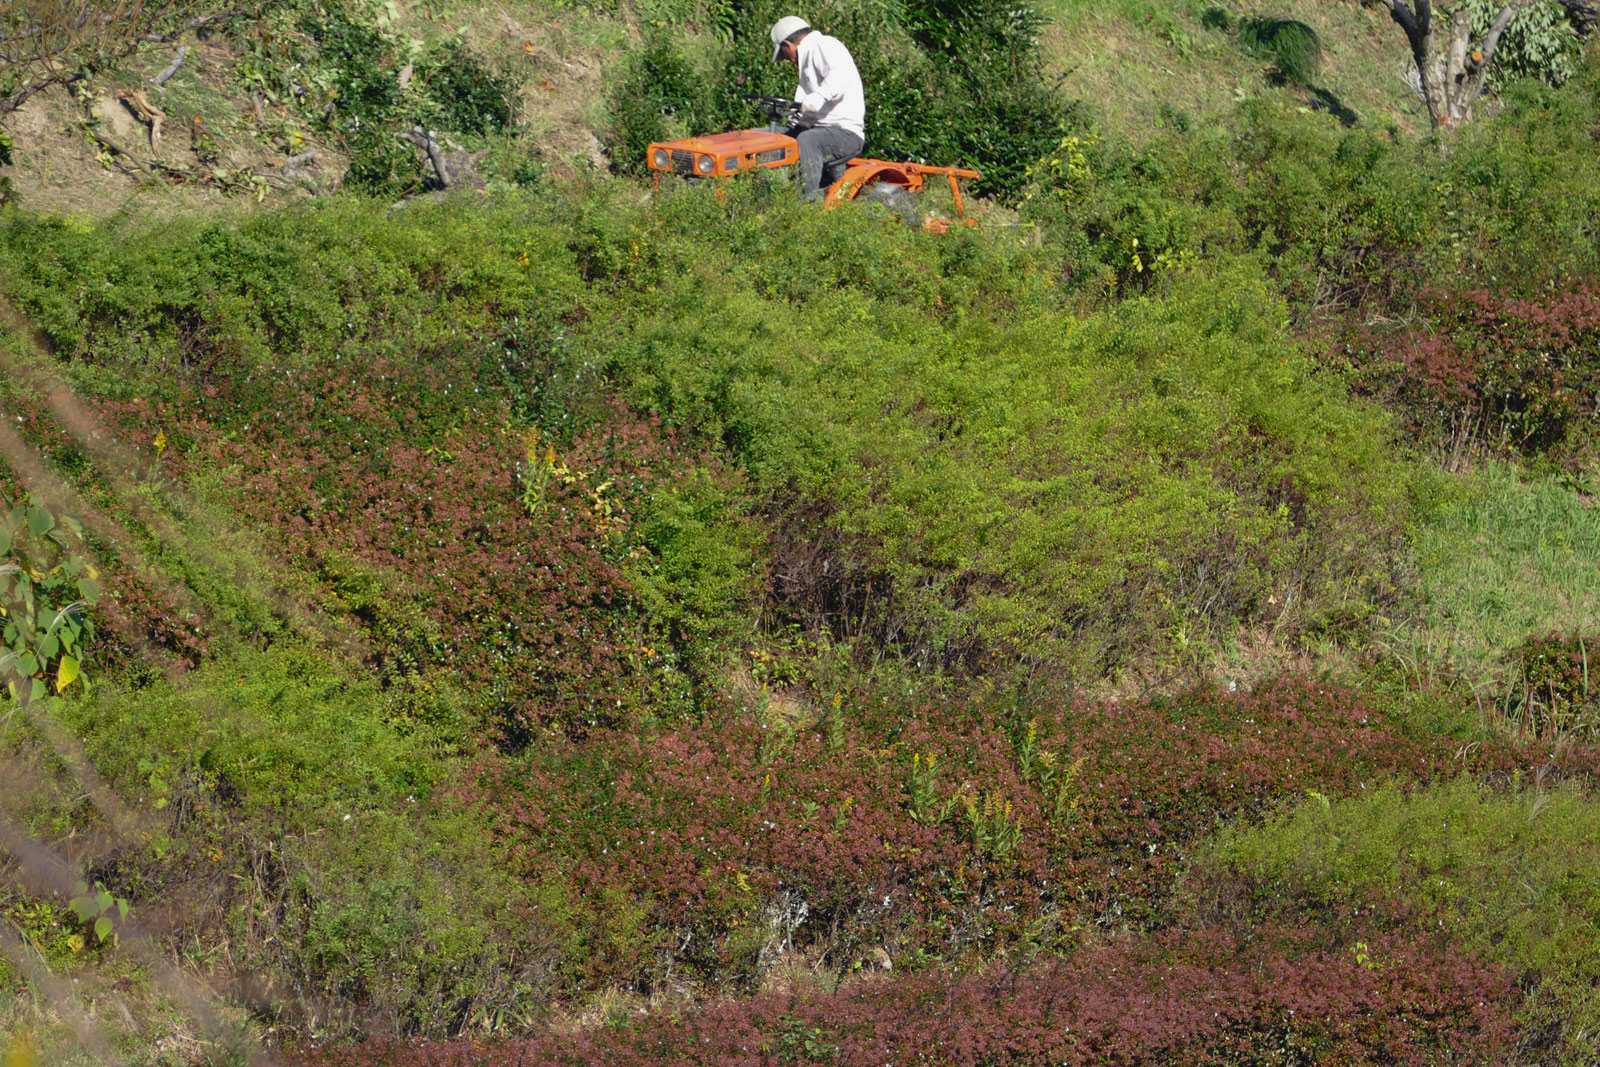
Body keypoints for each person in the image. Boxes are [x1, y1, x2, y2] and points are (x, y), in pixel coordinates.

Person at [769, 16, 865, 200]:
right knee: (764, 137)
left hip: (845, 133)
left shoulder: (824, 45)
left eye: (784, 54)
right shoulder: (806, 62)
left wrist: (821, 95)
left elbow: (841, 75)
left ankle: (808, 205)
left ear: (788, 45)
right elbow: (806, 110)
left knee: (808, 140)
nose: (787, 60)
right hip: (816, 128)